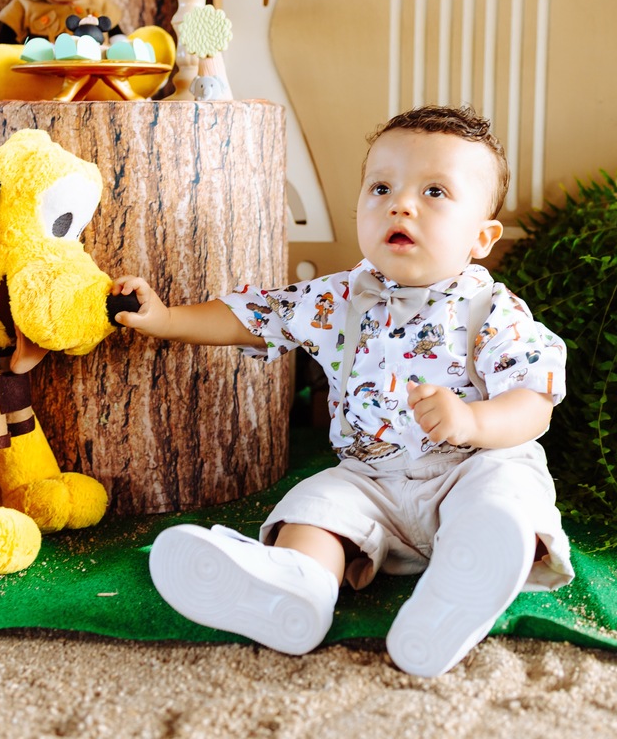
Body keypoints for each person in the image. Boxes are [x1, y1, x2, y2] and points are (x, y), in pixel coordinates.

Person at [111, 104, 574, 677]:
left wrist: (475, 423)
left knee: (504, 493)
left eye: (434, 192)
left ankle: (463, 583)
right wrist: (166, 319)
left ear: (481, 237)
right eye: (382, 187)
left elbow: (534, 402)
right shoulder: (336, 299)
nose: (401, 203)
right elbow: (255, 317)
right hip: (371, 481)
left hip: (469, 467)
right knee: (315, 507)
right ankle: (296, 586)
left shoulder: (492, 311)